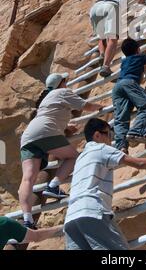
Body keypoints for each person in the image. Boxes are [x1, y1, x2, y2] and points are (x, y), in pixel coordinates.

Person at [64, 118, 146, 250]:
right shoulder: (101, 148)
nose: (111, 140)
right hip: (91, 210)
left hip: (71, 219)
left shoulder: (80, 158)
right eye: (109, 134)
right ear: (97, 135)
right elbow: (139, 163)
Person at [19, 72, 103, 229]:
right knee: (75, 157)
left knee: (28, 178)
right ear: (62, 83)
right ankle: (53, 185)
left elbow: (51, 115)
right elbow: (87, 106)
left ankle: (27, 219)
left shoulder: (46, 98)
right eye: (66, 81)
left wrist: (65, 127)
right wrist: (102, 107)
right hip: (45, 131)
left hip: (29, 135)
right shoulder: (63, 92)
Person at [112, 38, 146, 153]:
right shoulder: (140, 57)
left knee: (121, 119)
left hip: (117, 87)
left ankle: (121, 146)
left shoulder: (124, 62)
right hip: (129, 83)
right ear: (138, 50)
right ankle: (136, 132)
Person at [89, 0, 145, 78]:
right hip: (110, 6)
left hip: (95, 8)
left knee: (102, 37)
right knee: (113, 38)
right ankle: (106, 66)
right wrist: (141, 3)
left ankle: (102, 53)